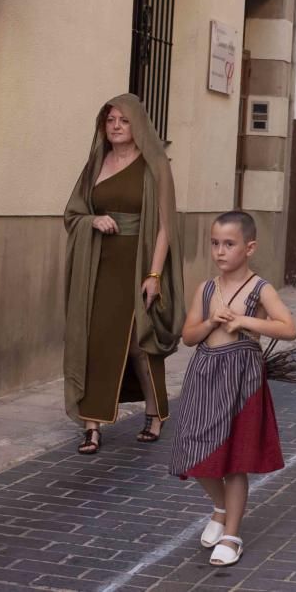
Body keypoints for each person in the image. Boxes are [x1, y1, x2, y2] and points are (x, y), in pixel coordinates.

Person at [170, 211, 295, 567]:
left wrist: (245, 321)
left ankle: (232, 534)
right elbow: (189, 336)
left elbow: (288, 328)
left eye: (229, 244)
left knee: (234, 460)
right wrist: (211, 320)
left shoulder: (260, 288)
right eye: (214, 244)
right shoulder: (206, 289)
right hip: (205, 375)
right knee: (195, 452)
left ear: (249, 247)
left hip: (242, 382)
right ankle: (221, 507)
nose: (220, 252)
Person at [64, 94, 186, 454]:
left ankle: (154, 411)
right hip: (97, 265)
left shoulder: (155, 166)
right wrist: (92, 221)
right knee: (94, 340)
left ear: (137, 126)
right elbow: (73, 213)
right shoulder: (95, 164)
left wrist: (154, 274)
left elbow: (166, 226)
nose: (115, 126)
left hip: (136, 264)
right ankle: (92, 425)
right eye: (110, 120)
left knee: (138, 344)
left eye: (123, 120)